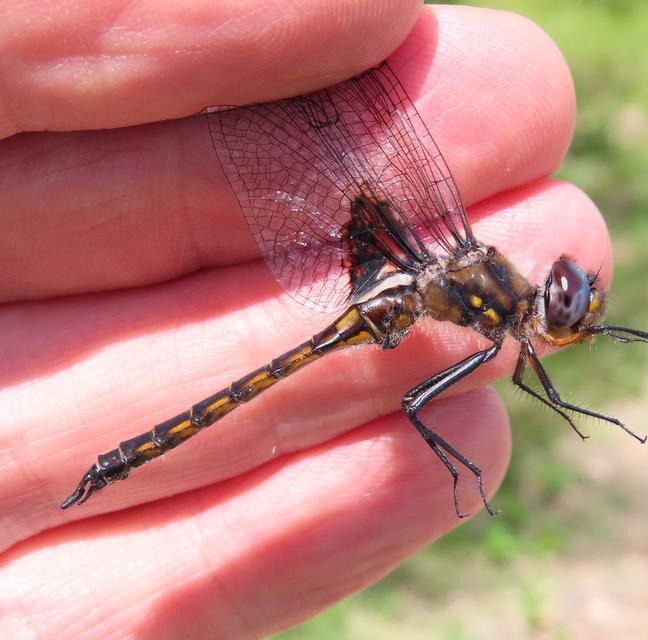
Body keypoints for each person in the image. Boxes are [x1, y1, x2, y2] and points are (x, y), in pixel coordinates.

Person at [0, 2, 611, 636]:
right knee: (369, 398)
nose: (565, 315)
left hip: (398, 290)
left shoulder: (499, 307)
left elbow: (520, 373)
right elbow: (499, 375)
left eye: (570, 307)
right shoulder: (499, 304)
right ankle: (116, 463)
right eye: (568, 306)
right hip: (392, 296)